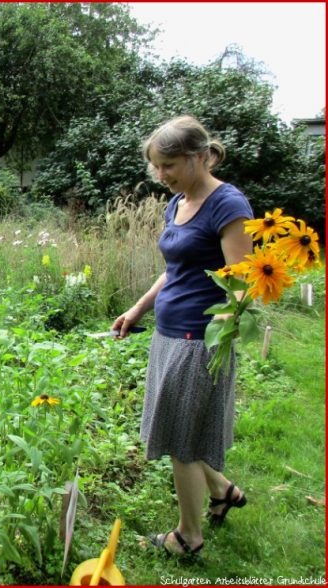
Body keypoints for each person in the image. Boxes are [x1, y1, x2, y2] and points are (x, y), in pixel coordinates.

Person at [112, 115, 253, 557]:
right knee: (180, 427)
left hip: (200, 337)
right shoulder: (179, 202)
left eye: (168, 165)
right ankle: (223, 491)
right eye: (156, 166)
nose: (160, 175)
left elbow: (243, 283)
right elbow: (175, 271)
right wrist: (138, 309)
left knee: (182, 440)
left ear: (197, 157)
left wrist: (219, 338)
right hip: (169, 332)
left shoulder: (228, 205)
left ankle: (188, 537)